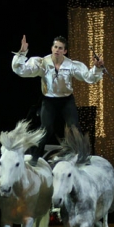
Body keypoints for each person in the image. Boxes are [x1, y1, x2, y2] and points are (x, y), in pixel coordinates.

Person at [11, 35, 105, 166]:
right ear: (52, 48)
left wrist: (98, 68)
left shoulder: (71, 65)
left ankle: (83, 157)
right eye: (55, 47)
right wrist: (22, 53)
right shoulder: (42, 63)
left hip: (66, 101)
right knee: (45, 129)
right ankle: (34, 159)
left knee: (74, 128)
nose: (57, 50)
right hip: (49, 101)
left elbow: (88, 77)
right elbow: (20, 70)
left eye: (60, 48)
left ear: (65, 51)